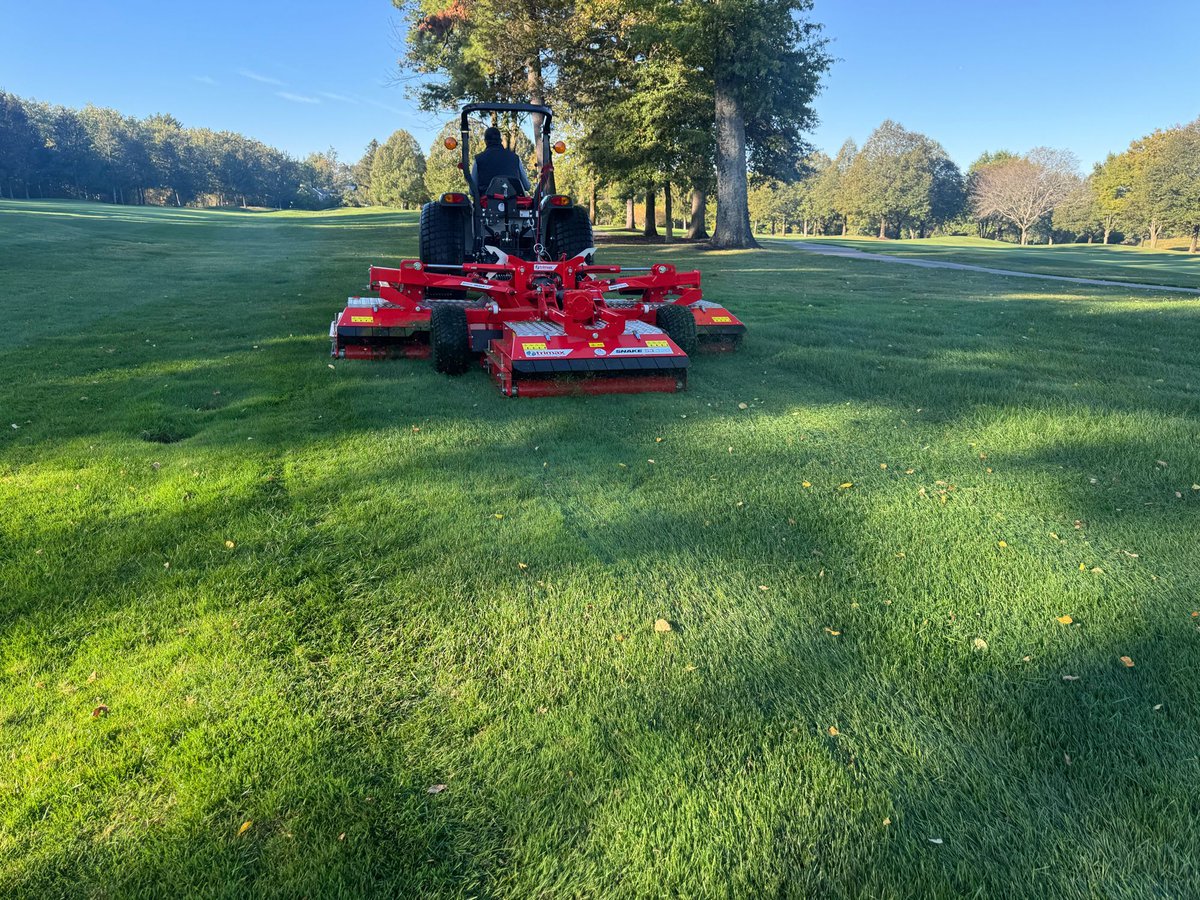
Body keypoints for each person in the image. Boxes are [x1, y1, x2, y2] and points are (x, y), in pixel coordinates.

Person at [471, 126, 531, 196]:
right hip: (514, 203)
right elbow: (527, 186)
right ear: (500, 140)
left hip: (487, 203)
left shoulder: (478, 159)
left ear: (485, 141)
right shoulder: (515, 158)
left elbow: (472, 191)